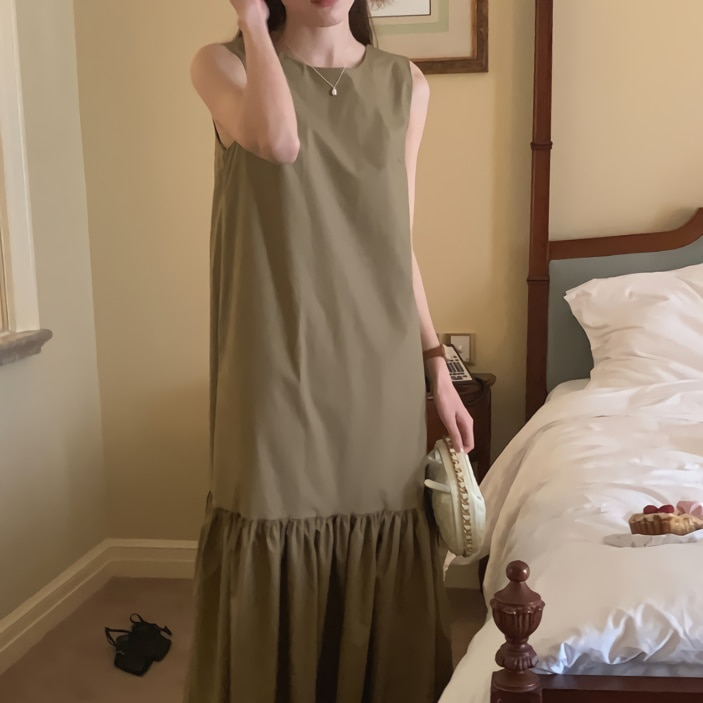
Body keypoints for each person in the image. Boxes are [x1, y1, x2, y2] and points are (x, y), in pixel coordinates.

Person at [184, 0, 475, 700]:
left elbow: (398, 242)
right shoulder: (222, 63)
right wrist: (254, 23)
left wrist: (436, 366)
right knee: (270, 524)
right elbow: (278, 141)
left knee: (383, 539)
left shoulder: (407, 84)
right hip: (272, 360)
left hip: (377, 366)